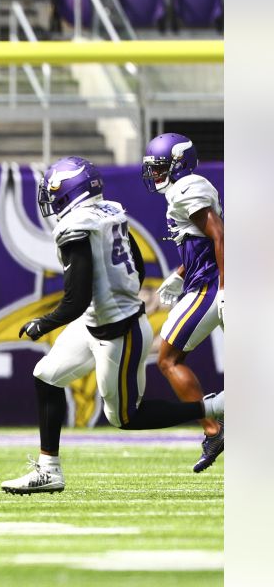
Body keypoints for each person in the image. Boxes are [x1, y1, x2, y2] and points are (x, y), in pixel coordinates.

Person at [1, 156, 224, 495]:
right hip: (97, 320)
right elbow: (133, 260)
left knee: (125, 418)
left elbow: (74, 300)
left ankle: (215, 407)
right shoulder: (109, 211)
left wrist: (42, 324)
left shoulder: (77, 227)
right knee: (46, 375)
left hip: (117, 332)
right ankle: (49, 470)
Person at [141, 132, 225, 472]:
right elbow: (202, 240)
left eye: (161, 168)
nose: (156, 175)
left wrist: (225, 286)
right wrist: (179, 272)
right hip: (202, 281)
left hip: (209, 288)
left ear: (178, 164)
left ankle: (214, 428)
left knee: (168, 359)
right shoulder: (182, 189)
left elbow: (219, 234)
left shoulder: (188, 187)